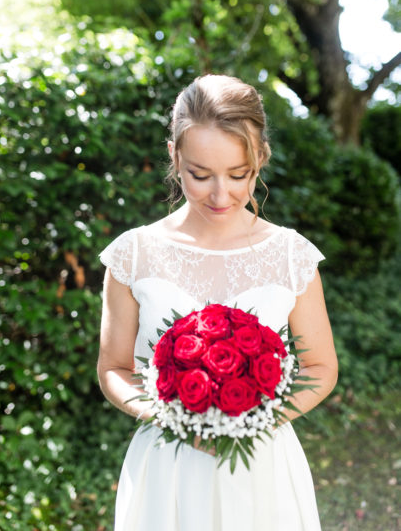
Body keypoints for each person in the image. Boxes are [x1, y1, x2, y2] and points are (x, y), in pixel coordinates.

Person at [97, 74, 338, 531]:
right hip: (166, 467)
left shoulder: (291, 255)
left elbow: (321, 368)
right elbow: (114, 368)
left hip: (262, 468)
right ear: (175, 156)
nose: (220, 194)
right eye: (200, 175)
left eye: (238, 175)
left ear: (260, 158)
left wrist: (255, 421)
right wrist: (171, 417)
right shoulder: (133, 254)